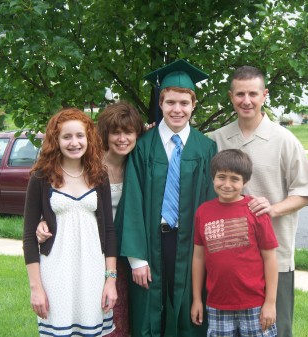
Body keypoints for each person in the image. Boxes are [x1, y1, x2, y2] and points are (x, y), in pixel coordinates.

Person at [209, 66, 308, 337]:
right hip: (228, 261)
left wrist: (272, 208)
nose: (247, 100)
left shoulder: (284, 140)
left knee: (276, 329)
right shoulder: (216, 139)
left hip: (273, 258)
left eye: (253, 94)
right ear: (231, 96)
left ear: (264, 95)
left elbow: (304, 192)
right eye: (240, 94)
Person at [119, 59, 217, 337]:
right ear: (160, 103)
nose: (177, 109)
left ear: (193, 105)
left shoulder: (206, 148)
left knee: (190, 308)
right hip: (151, 243)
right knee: (151, 310)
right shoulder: (142, 148)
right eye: (171, 102)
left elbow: (211, 203)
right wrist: (137, 259)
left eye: (184, 103)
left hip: (191, 245)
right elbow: (133, 203)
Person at [36, 102, 146, 337]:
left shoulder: (139, 164)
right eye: (115, 132)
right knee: (96, 316)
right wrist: (43, 222)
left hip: (131, 250)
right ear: (104, 134)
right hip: (95, 252)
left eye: (128, 132)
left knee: (127, 317)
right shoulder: (92, 167)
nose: (122, 139)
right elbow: (56, 199)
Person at [23, 107, 118, 336]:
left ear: (88, 139)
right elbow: (28, 236)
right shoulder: (41, 178)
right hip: (56, 273)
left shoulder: (99, 175)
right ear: (55, 140)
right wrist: (36, 288)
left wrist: (110, 280)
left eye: (79, 136)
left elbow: (109, 230)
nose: (74, 142)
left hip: (92, 272)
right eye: (67, 136)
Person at [191, 149, 278, 337]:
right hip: (217, 304)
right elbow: (199, 258)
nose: (227, 184)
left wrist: (270, 303)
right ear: (213, 178)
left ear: (245, 182)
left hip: (255, 304)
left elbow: (270, 258)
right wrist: (197, 299)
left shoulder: (256, 211)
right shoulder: (203, 212)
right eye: (221, 177)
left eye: (235, 179)